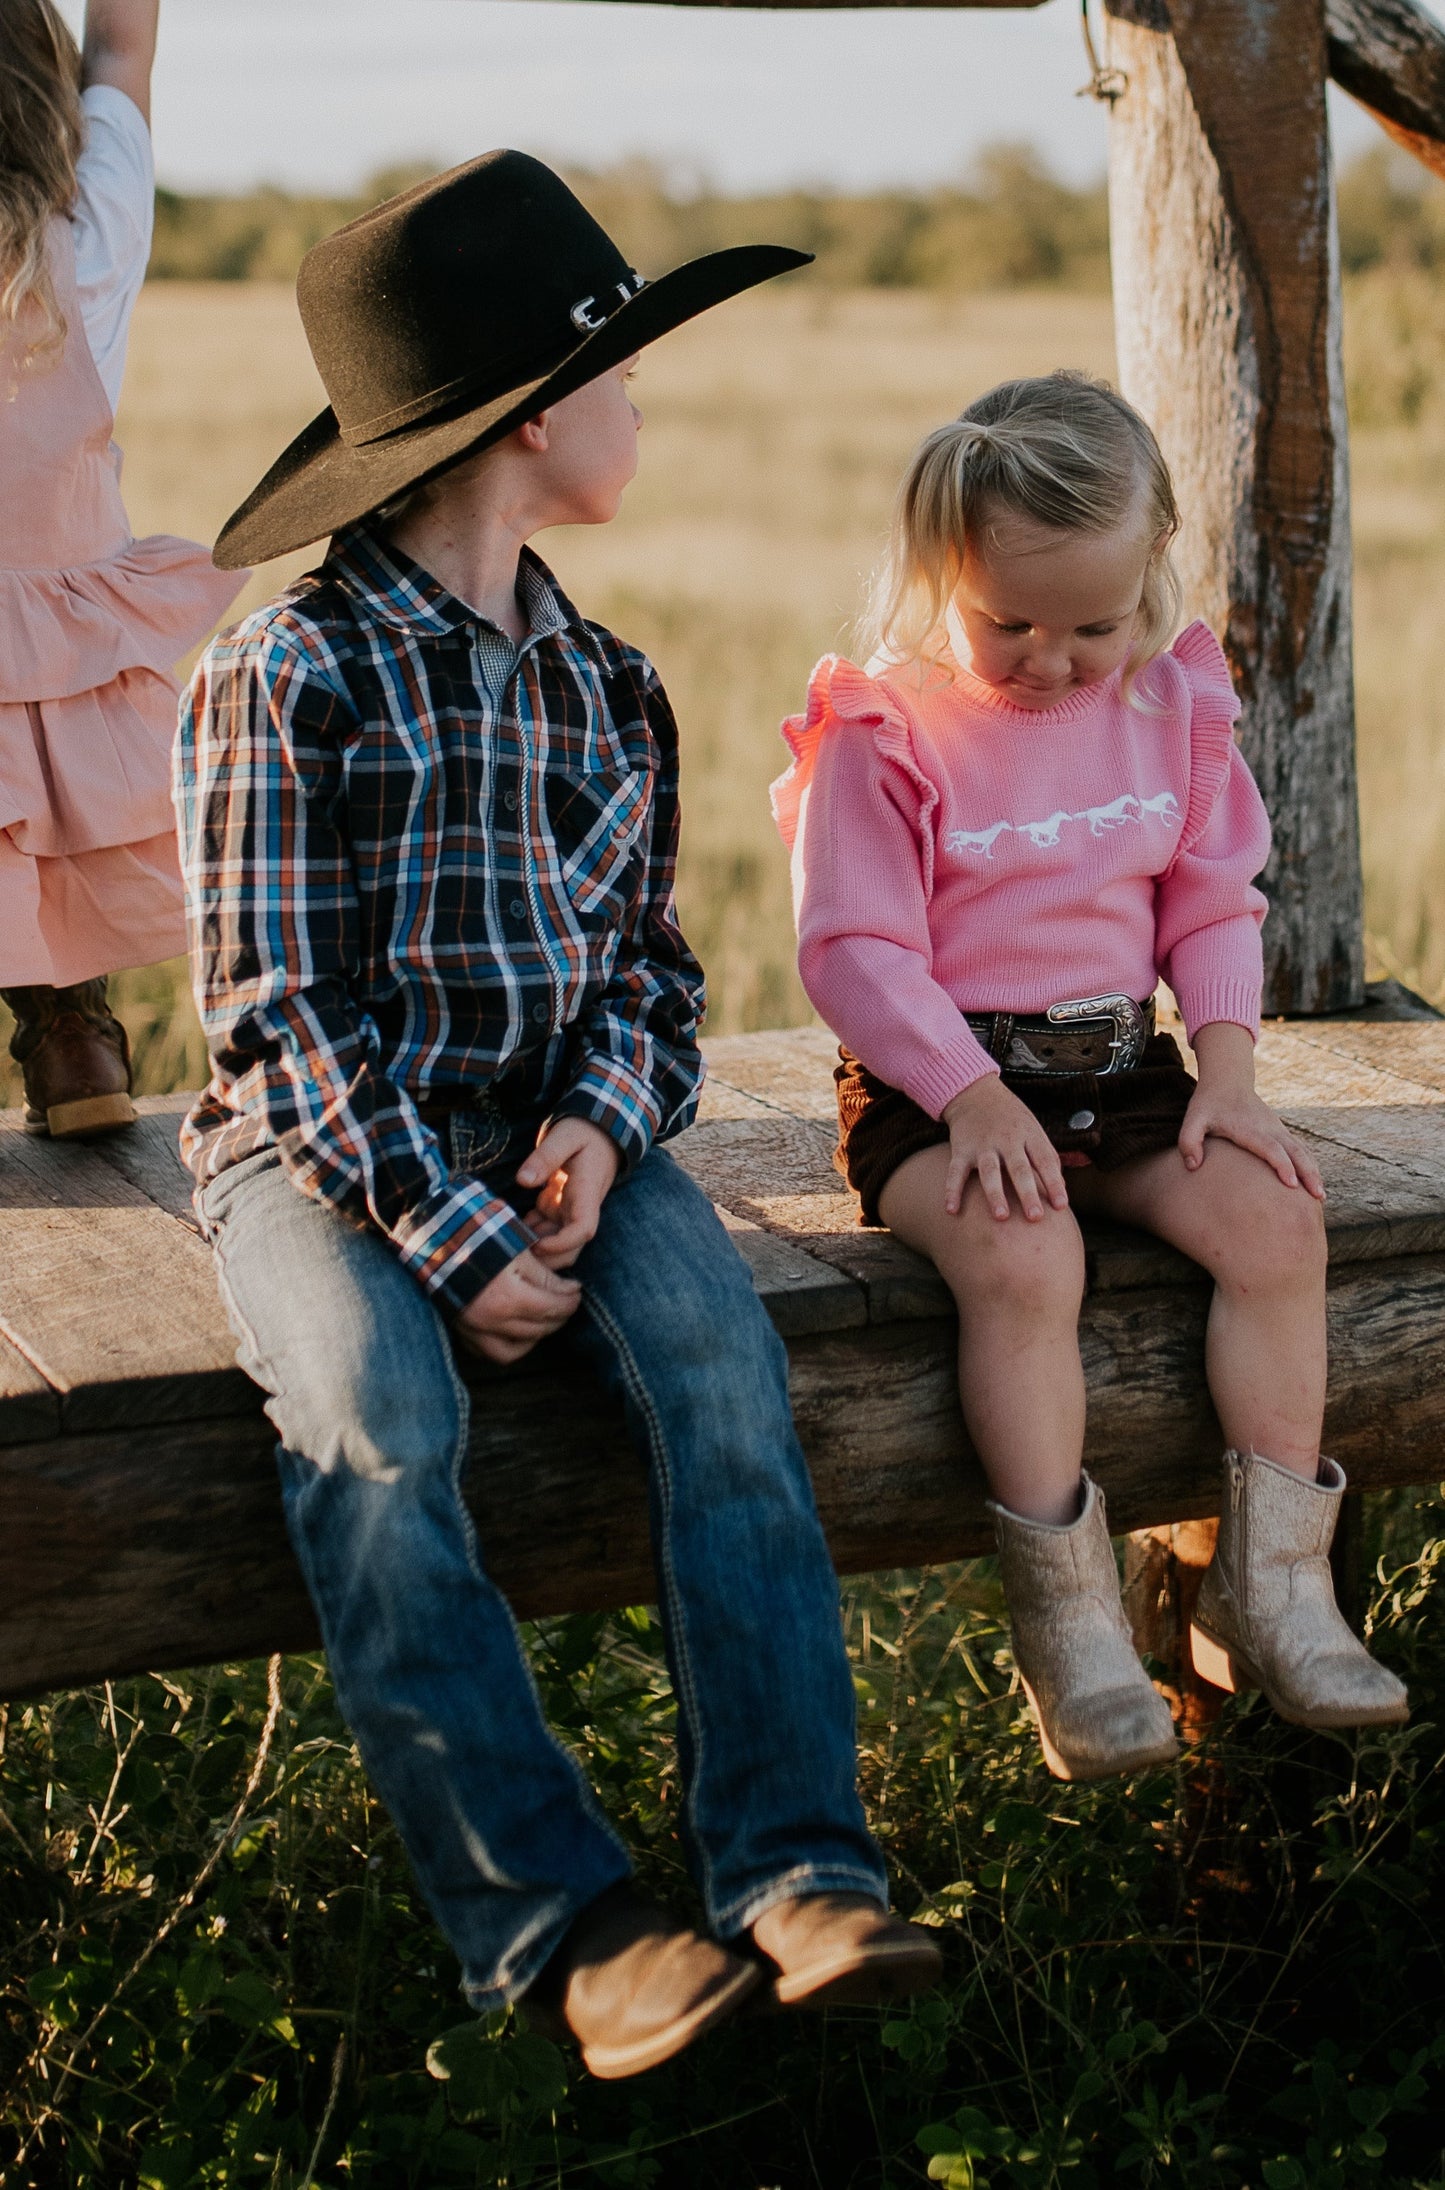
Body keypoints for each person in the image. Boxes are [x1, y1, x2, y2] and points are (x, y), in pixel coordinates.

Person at [175, 152, 941, 2080]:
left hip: (553, 1133)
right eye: (623, 370)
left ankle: (793, 1867)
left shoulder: (609, 683)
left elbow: (654, 979)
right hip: (327, 1149)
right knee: (371, 1413)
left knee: (718, 1372)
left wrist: (599, 1136)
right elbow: (277, 1014)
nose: (644, 406)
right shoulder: (286, 674)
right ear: (529, 417)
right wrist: (450, 1241)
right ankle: (563, 1922)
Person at [773, 371, 1408, 1783]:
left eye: (1092, 624)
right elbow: (854, 951)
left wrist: (1229, 1079)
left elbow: (1209, 901)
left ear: (1149, 581)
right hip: (942, 1081)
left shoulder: (1166, 698)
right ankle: (1067, 1620)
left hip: (1123, 1065)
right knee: (1026, 1256)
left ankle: (1276, 1585)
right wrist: (965, 1093)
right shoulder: (883, 728)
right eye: (1008, 622)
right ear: (942, 569)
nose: (1051, 660)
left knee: (1275, 1224)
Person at [0, 0, 242, 1136]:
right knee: (42, 808)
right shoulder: (90, 238)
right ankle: (73, 1036)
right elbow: (124, 48)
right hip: (56, 623)